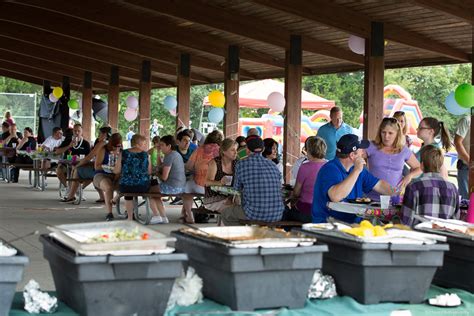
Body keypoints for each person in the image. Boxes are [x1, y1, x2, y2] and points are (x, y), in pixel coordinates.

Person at [312, 134, 397, 224]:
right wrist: (356, 171)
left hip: (353, 223)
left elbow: (379, 185)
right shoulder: (330, 169)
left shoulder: (357, 169)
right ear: (352, 155)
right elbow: (335, 196)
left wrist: (398, 192)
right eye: (361, 150)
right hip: (329, 225)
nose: (364, 152)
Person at [221, 135, 285, 225]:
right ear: (263, 149)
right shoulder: (273, 165)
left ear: (247, 150)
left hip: (253, 212)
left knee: (225, 214)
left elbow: (235, 190)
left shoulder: (241, 164)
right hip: (277, 214)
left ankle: (242, 238)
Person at [364, 117, 421, 201]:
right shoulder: (371, 146)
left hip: (395, 198)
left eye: (390, 133)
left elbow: (419, 168)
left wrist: (409, 176)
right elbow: (354, 159)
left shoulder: (403, 150)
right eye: (383, 132)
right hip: (371, 196)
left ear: (397, 134)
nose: (386, 136)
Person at [401, 145, 460, 226]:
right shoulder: (452, 188)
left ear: (421, 165)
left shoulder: (414, 187)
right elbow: (456, 219)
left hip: (420, 236)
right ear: (441, 166)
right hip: (446, 236)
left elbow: (406, 221)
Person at [61, 126, 111, 203]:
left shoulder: (101, 143)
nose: (98, 136)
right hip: (107, 170)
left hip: (101, 171)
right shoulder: (110, 143)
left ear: (104, 134)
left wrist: (77, 165)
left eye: (99, 134)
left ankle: (71, 195)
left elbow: (88, 157)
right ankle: (102, 197)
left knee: (77, 170)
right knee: (89, 170)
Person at [182, 130, 223, 223]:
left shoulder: (199, 149)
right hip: (217, 188)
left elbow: (188, 166)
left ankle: (189, 215)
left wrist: (197, 170)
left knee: (186, 189)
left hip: (199, 186)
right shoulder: (222, 151)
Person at [284, 136, 327, 223]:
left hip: (307, 210)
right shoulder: (329, 165)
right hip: (325, 211)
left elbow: (296, 192)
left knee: (285, 213)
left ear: (309, 150)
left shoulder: (305, 167)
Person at [148, 135, 186, 224]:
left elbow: (164, 177)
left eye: (162, 145)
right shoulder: (174, 154)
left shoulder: (170, 156)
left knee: (150, 191)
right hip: (181, 186)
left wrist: (156, 173)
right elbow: (161, 165)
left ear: (169, 146)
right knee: (154, 191)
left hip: (173, 187)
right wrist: (157, 152)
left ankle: (157, 215)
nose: (160, 147)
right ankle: (163, 217)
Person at [114, 134, 151, 221]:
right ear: (139, 144)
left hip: (126, 186)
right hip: (143, 186)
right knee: (135, 185)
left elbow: (116, 171)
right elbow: (149, 172)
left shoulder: (123, 153)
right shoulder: (146, 155)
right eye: (144, 144)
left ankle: (130, 218)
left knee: (127, 191)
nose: (145, 146)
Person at [93, 133, 122, 221]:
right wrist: (107, 167)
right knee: (108, 187)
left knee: (129, 183)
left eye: (119, 146)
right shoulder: (103, 149)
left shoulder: (121, 151)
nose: (117, 148)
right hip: (101, 174)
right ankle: (109, 213)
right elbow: (97, 166)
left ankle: (130, 211)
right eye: (115, 146)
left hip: (116, 175)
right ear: (110, 144)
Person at [203, 138, 238, 212]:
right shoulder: (215, 162)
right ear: (224, 151)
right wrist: (220, 182)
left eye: (236, 150)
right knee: (232, 210)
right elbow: (207, 182)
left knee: (240, 206)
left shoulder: (236, 163)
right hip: (213, 198)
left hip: (231, 196)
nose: (236, 152)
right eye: (232, 150)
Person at [55, 124, 91, 189]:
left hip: (80, 165)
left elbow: (89, 157)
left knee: (92, 173)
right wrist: (69, 146)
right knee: (59, 170)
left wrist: (79, 159)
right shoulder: (68, 141)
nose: (77, 133)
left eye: (79, 131)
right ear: (72, 132)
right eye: (75, 131)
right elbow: (57, 152)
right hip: (66, 164)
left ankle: (79, 189)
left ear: (82, 132)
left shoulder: (86, 143)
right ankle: (67, 187)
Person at [454, 114, 470, 199]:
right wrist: (469, 161)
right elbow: (457, 142)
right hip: (466, 166)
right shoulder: (467, 120)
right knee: (466, 200)